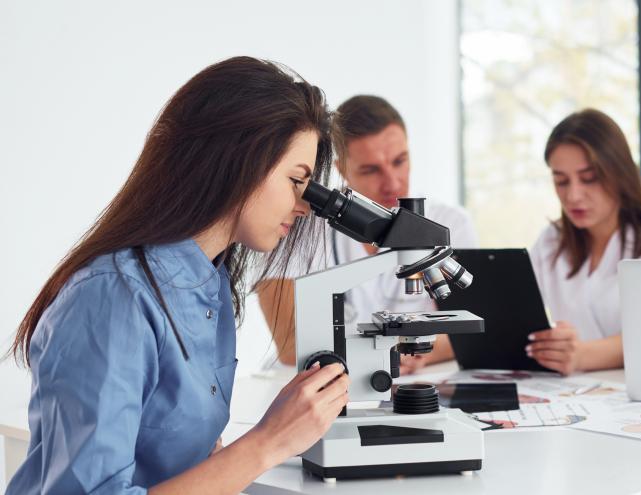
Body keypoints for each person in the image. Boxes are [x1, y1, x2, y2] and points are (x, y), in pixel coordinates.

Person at [5, 56, 350, 494]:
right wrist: (269, 442)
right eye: (296, 180)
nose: (303, 207)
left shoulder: (211, 284)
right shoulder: (114, 295)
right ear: (236, 161)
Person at [259, 95, 478, 374]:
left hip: (412, 377)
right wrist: (390, 351)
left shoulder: (451, 222)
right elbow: (291, 345)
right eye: (371, 170)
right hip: (310, 383)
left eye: (400, 161)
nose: (393, 183)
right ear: (342, 170)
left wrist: (406, 353)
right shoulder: (295, 225)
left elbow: (471, 327)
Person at [526, 108, 641, 375]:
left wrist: (581, 355)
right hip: (573, 394)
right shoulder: (551, 241)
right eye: (561, 181)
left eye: (589, 179)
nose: (573, 195)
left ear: (620, 173)